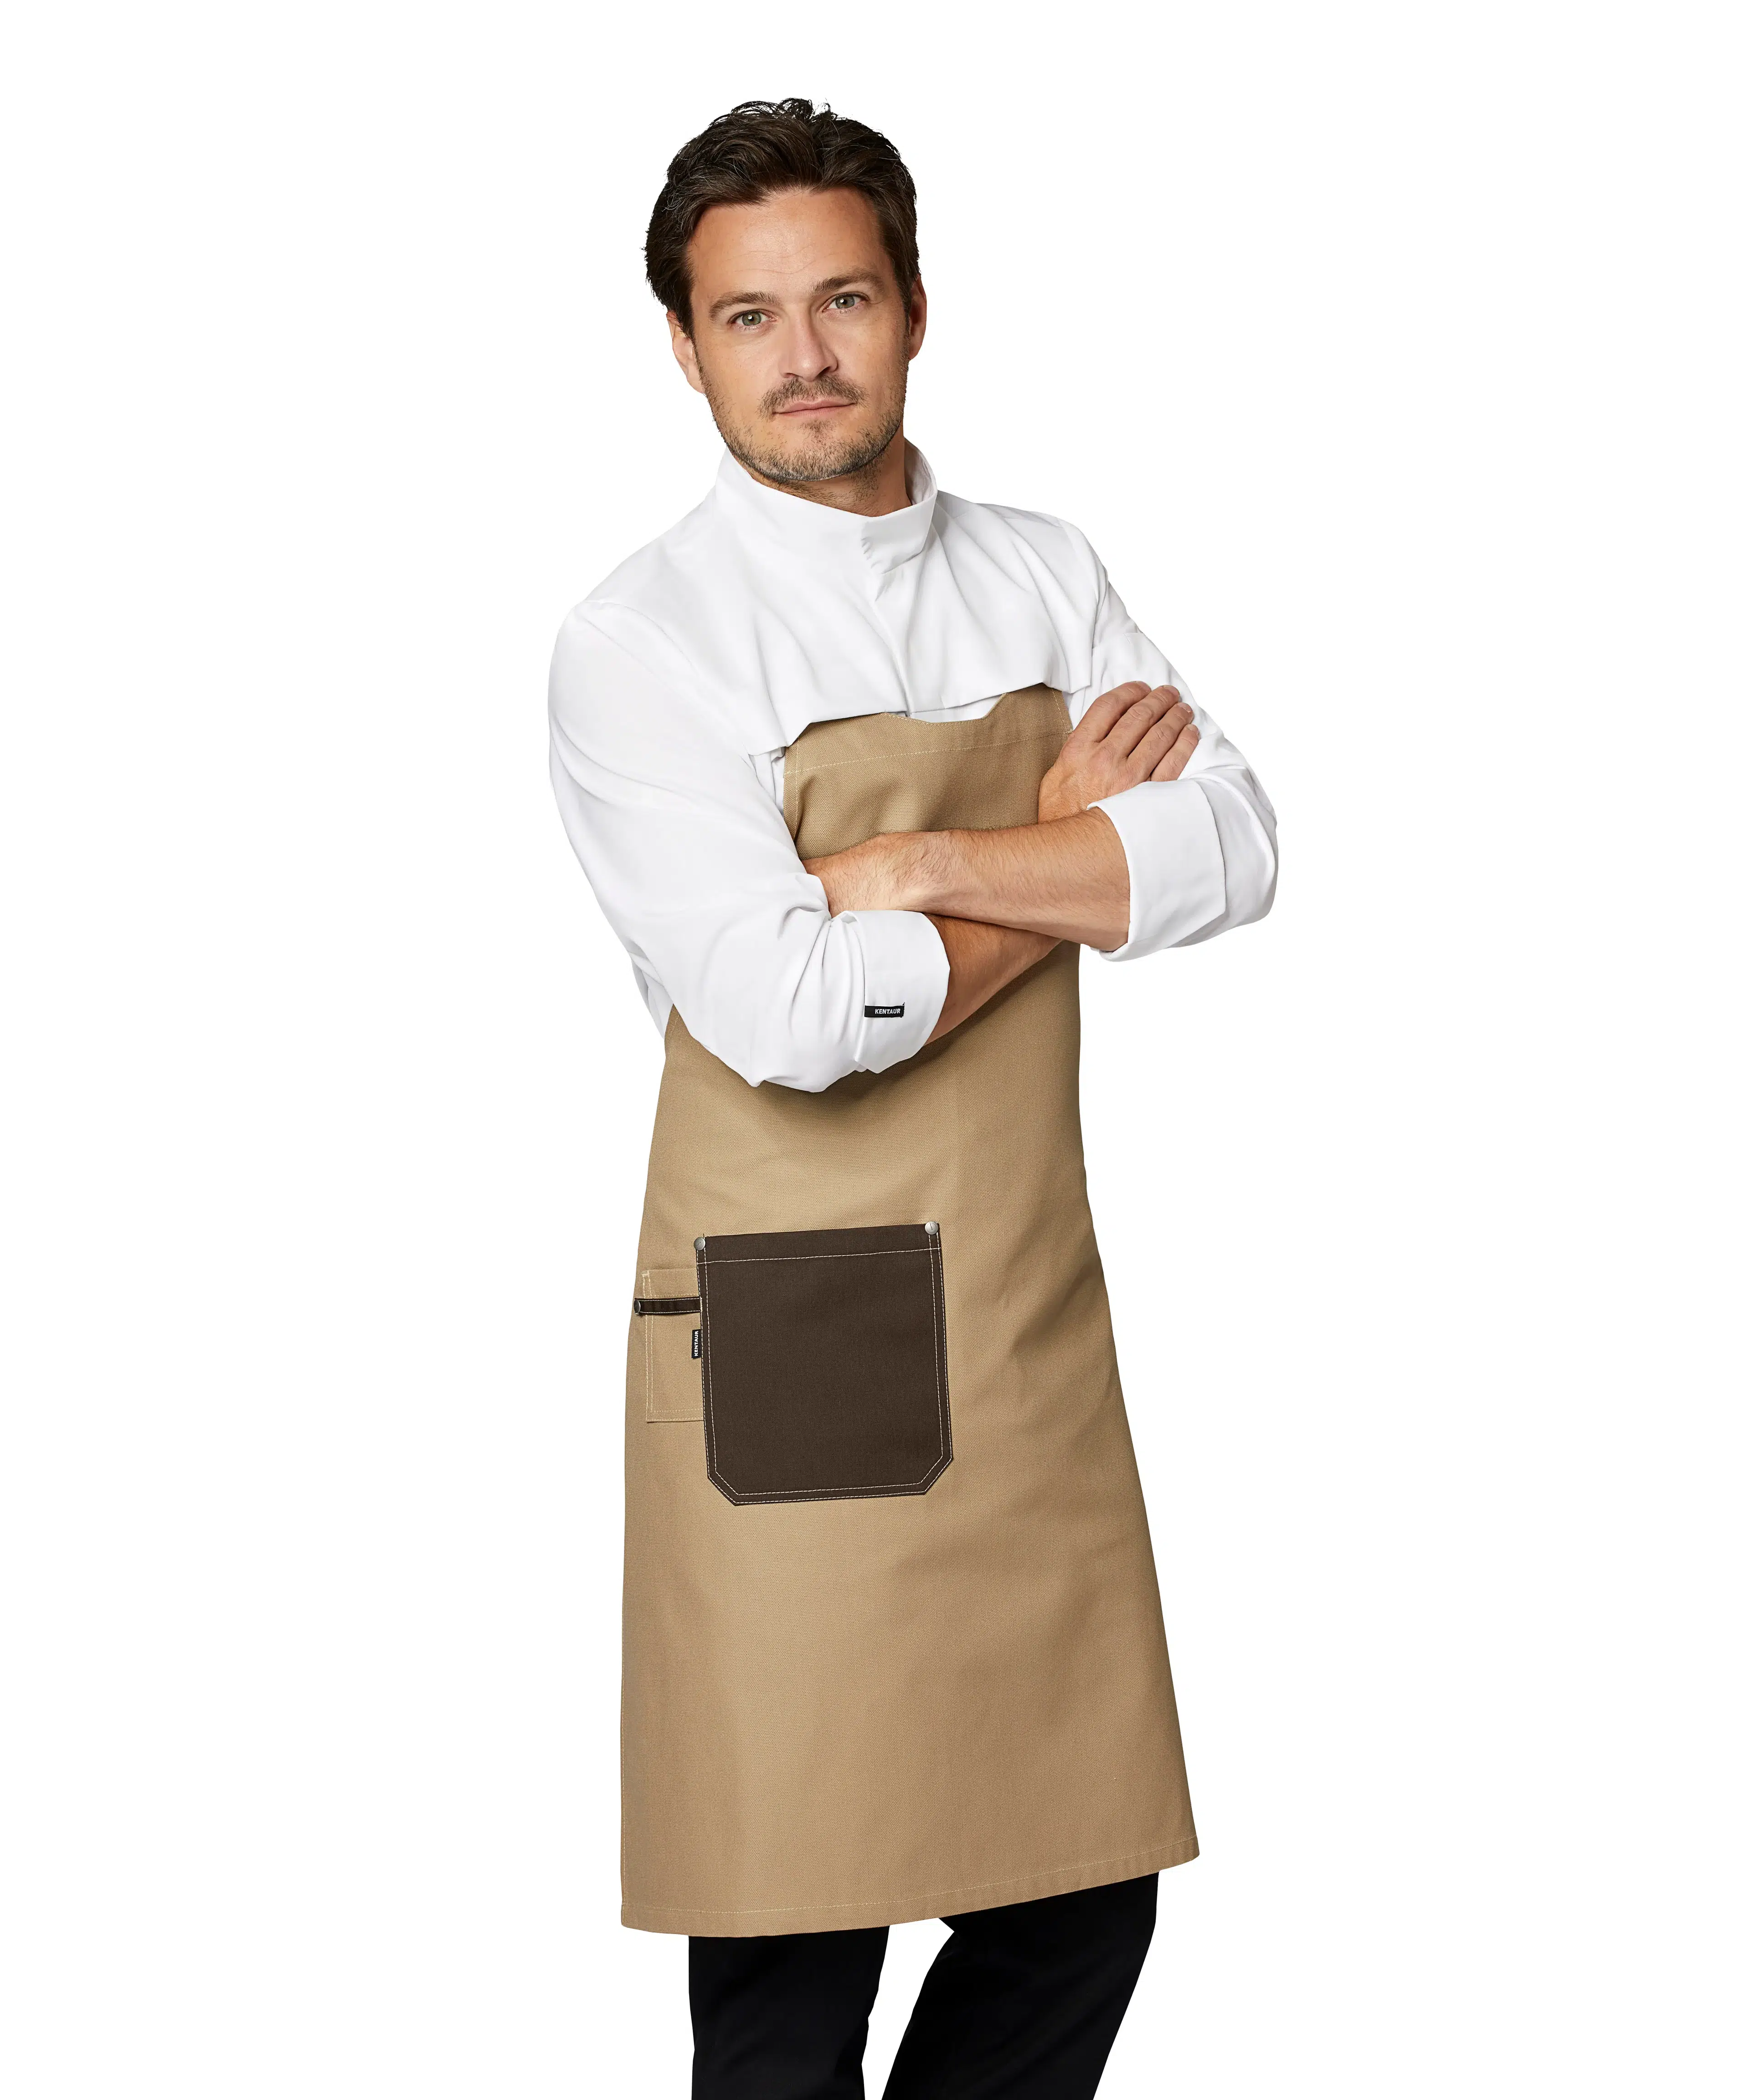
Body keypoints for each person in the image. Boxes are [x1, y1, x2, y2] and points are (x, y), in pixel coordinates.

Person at [548, 98, 1276, 2100]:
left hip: (1023, 1319)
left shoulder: (1046, 571)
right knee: (793, 1951)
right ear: (686, 349)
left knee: (1082, 1897)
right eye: (750, 317)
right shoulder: (641, 644)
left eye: (843, 300)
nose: (804, 357)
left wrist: (934, 861)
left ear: (916, 307)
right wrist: (1068, 848)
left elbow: (1230, 850)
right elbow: (794, 1012)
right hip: (790, 1335)